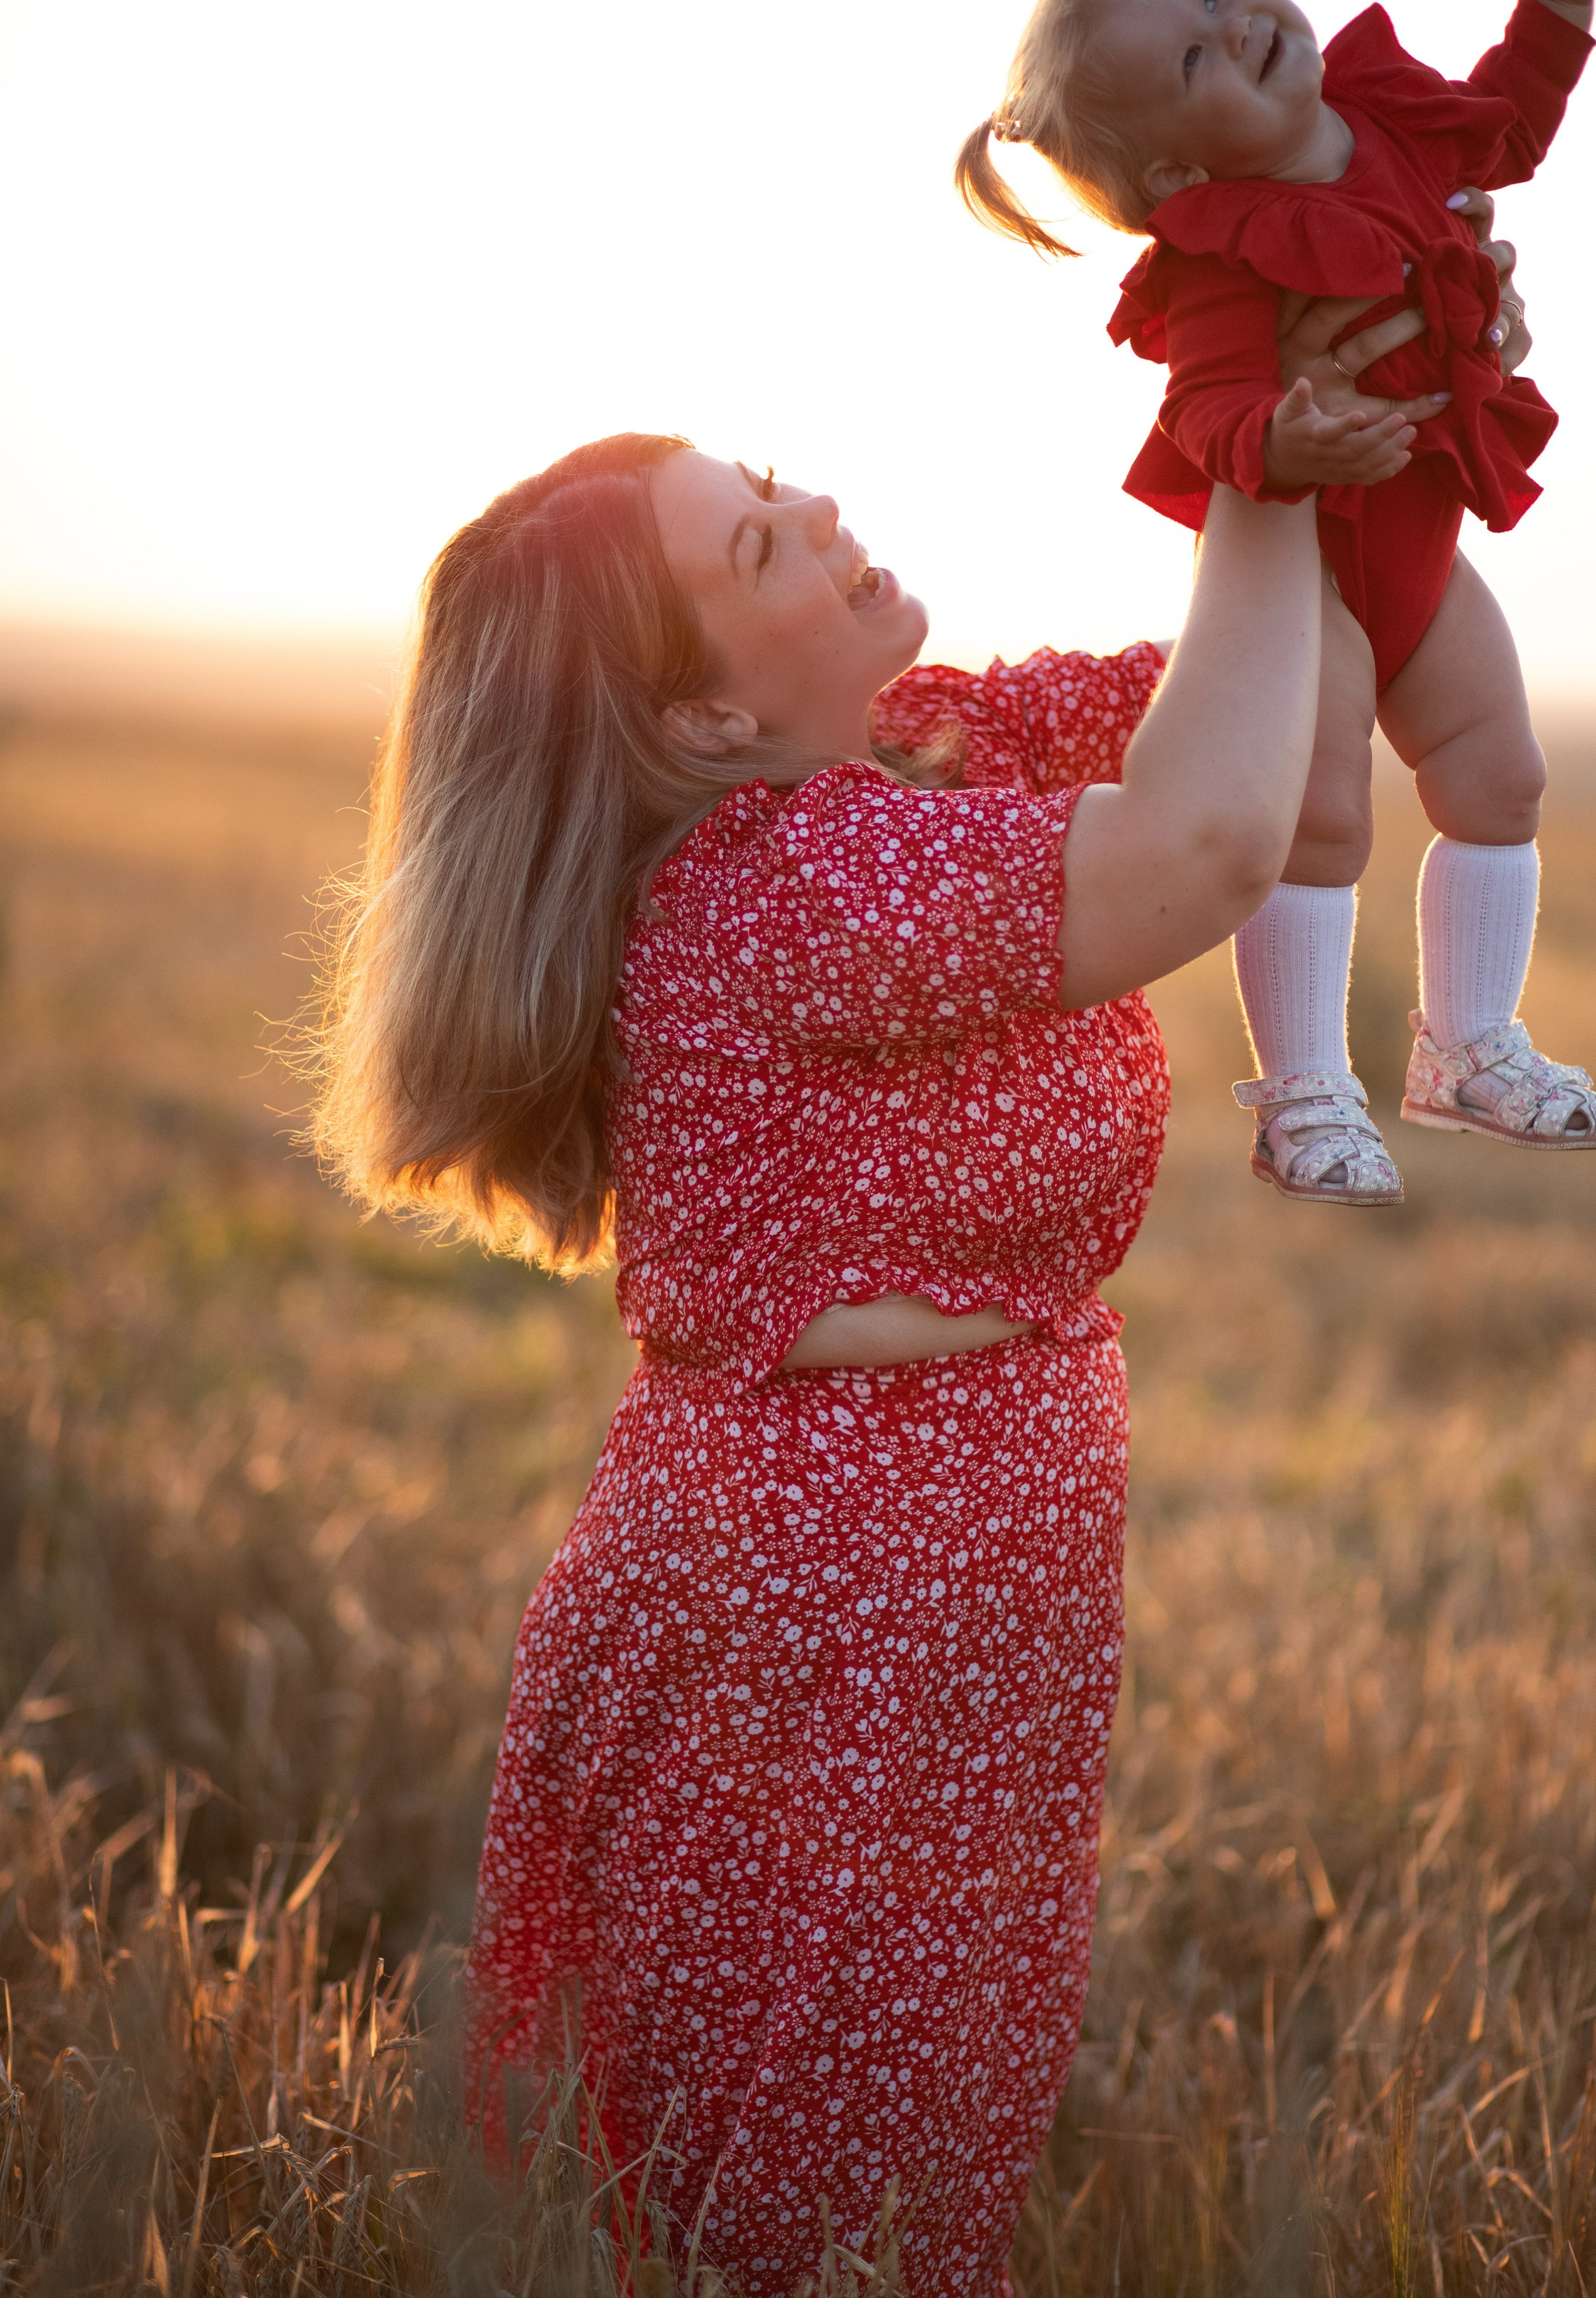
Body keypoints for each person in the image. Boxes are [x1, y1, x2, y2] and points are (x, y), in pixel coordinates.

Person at [305, 227, 1521, 2294]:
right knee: (790, 2234)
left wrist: (1374, 419)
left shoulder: (937, 745)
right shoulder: (777, 884)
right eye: (765, 546)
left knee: (879, 2218)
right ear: (695, 707)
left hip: (974, 1623)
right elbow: (1208, 848)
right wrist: (1246, 439)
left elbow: (1312, 734)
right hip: (811, 1642)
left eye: (781, 488)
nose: (829, 516)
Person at [956, 0, 1596, 1206]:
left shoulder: (1392, 121)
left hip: (1418, 537)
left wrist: (1554, 8)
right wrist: (1283, 434)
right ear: (1176, 182)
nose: (1228, 21)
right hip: (1310, 569)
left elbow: (1508, 127)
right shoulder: (1224, 246)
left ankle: (1468, 1045)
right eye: (1189, 61)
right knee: (1317, 818)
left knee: (1501, 777)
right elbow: (1200, 410)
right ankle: (1303, 1086)